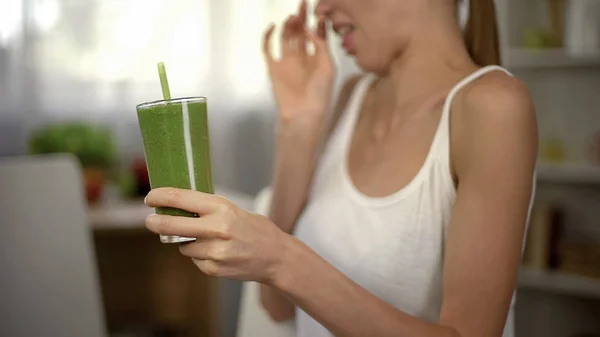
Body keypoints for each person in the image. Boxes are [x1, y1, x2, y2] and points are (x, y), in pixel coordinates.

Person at [144, 0, 538, 336]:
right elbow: (277, 307)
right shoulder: (353, 97)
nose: (321, 8)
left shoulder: (493, 107)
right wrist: (298, 128)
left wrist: (283, 257)